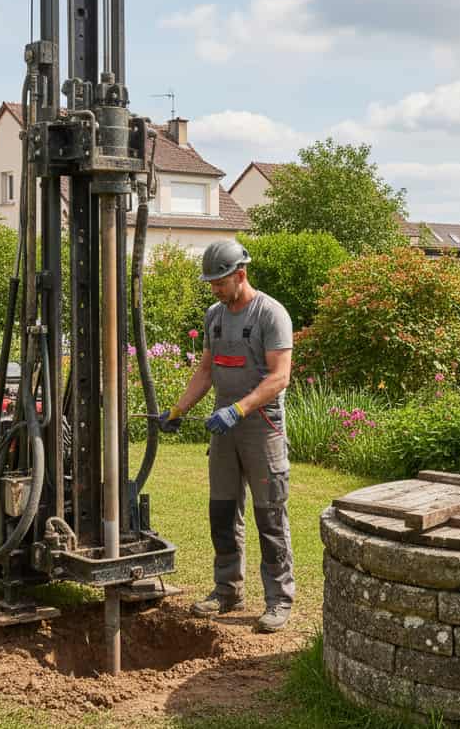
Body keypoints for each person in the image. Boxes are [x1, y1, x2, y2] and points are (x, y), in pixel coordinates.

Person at [158, 240, 295, 633]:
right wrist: (178, 410)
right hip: (224, 430)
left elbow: (279, 377)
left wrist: (238, 410)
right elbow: (206, 369)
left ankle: (278, 599)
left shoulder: (271, 314)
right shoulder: (214, 316)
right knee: (222, 511)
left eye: (219, 281)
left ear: (240, 274)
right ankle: (227, 590)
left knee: (269, 515)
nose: (214, 288)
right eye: (211, 282)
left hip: (260, 426)